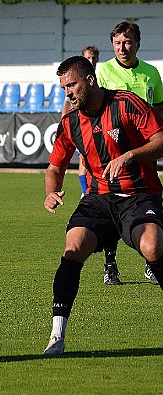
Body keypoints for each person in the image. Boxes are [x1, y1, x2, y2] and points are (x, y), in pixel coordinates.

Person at [43, 56, 163, 356]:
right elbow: (54, 167)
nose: (67, 93)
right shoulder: (70, 122)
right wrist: (51, 192)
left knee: (152, 247)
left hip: (139, 194)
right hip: (99, 199)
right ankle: (56, 336)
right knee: (73, 248)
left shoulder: (126, 104)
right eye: (63, 88)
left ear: (90, 80)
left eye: (71, 85)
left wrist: (132, 155)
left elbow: (160, 139)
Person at [97, 21, 163, 285]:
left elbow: (159, 109)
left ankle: (151, 261)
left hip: (144, 151)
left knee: (150, 202)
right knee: (112, 203)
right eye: (117, 43)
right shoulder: (103, 72)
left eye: (127, 42)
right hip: (113, 149)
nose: (122, 48)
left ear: (137, 44)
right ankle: (110, 263)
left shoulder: (151, 73)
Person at [62, 46, 122, 286]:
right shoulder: (80, 83)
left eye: (94, 58)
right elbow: (68, 110)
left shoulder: (102, 79)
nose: (92, 60)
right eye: (88, 58)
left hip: (123, 144)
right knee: (85, 162)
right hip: (89, 133)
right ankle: (87, 191)